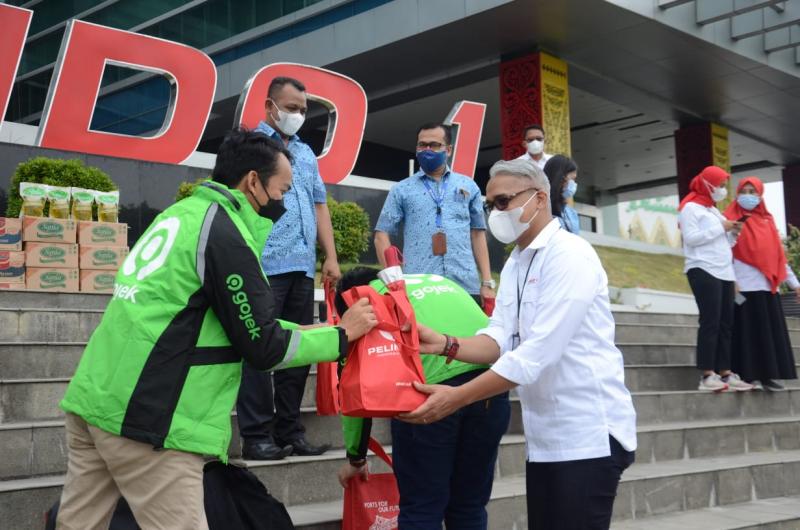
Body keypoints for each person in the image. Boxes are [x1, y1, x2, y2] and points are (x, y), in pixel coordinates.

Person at [55, 129, 377, 530]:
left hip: (95, 397)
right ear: (253, 182)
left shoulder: (180, 214)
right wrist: (340, 336)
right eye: (283, 190)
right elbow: (264, 346)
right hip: (149, 419)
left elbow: (230, 318)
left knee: (76, 525)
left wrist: (318, 330)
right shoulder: (225, 234)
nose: (285, 204)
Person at [399, 158, 637, 530]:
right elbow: (499, 338)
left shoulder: (570, 255)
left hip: (588, 434)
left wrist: (456, 397)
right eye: (490, 205)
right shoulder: (516, 263)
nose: (496, 213)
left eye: (503, 201)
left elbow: (535, 356)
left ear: (539, 199)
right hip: (546, 439)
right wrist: (445, 343)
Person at [335, 267, 510, 529]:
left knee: (422, 507)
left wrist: (356, 458)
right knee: (469, 505)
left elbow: (354, 389)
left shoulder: (363, 300)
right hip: (490, 388)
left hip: (430, 400)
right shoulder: (434, 280)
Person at [237, 76, 342, 461]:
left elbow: (319, 205)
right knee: (260, 350)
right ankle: (256, 435)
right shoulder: (252, 147)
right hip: (264, 265)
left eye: (302, 109)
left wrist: (329, 256)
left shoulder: (307, 154)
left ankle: (290, 431)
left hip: (301, 267)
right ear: (270, 106)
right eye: (291, 107)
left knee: (298, 350)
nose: (297, 115)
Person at [374, 123, 496, 305]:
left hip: (464, 284)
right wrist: (394, 282)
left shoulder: (468, 185)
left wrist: (487, 281)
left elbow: (478, 233)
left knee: (467, 334)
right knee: (424, 335)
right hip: (420, 287)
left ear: (448, 150)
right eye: (422, 145)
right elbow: (381, 235)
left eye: (434, 145)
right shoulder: (401, 189)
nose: (427, 149)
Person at [678, 165, 754, 392]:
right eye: (719, 185)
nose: (722, 190)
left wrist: (733, 232)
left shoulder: (712, 210)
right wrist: (721, 227)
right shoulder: (690, 208)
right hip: (702, 268)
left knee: (725, 324)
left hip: (724, 271)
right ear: (707, 184)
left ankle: (725, 372)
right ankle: (707, 374)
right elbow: (691, 239)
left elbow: (724, 242)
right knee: (710, 321)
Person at [724, 176, 799, 390]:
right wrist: (731, 281)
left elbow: (778, 257)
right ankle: (746, 375)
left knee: (766, 334)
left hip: (766, 287)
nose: (748, 196)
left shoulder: (768, 221)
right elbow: (722, 253)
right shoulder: (729, 218)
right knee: (745, 332)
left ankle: (767, 376)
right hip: (742, 287)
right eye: (744, 191)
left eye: (752, 192)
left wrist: (795, 284)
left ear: (760, 195)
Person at [543, 154, 580, 234]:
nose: (574, 184)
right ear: (560, 178)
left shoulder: (571, 213)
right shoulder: (539, 210)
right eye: (572, 180)